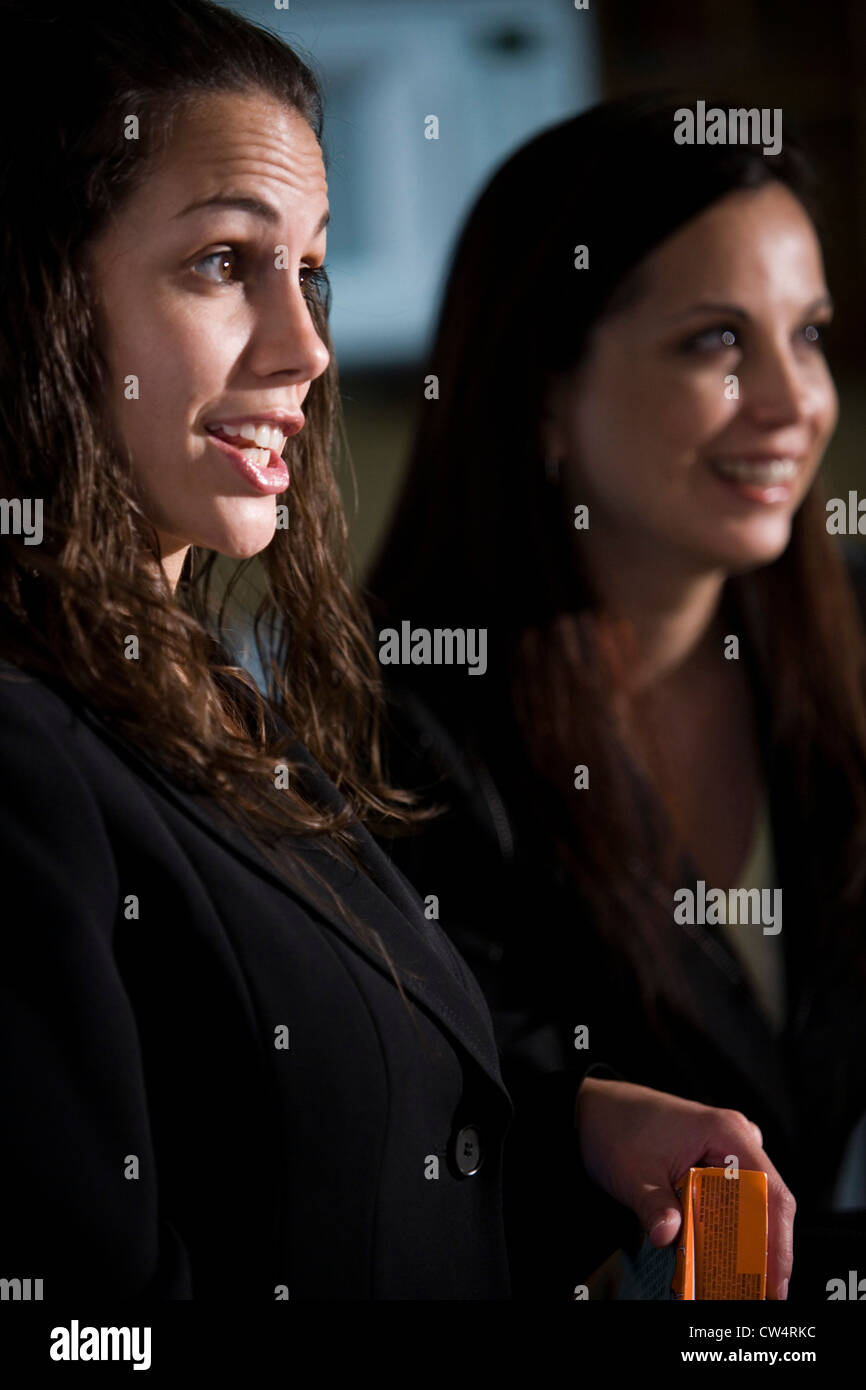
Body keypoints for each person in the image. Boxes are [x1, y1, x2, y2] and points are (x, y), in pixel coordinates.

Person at [0, 6, 795, 1302]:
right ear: (38, 301)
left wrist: (569, 1129)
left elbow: (308, 1162)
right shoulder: (26, 752)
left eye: (306, 267)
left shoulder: (208, 695)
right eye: (219, 263)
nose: (306, 342)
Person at [368, 94, 866, 1299]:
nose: (792, 402)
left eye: (805, 335)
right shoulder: (394, 731)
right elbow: (441, 1129)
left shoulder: (852, 631)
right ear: (543, 392)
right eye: (714, 342)